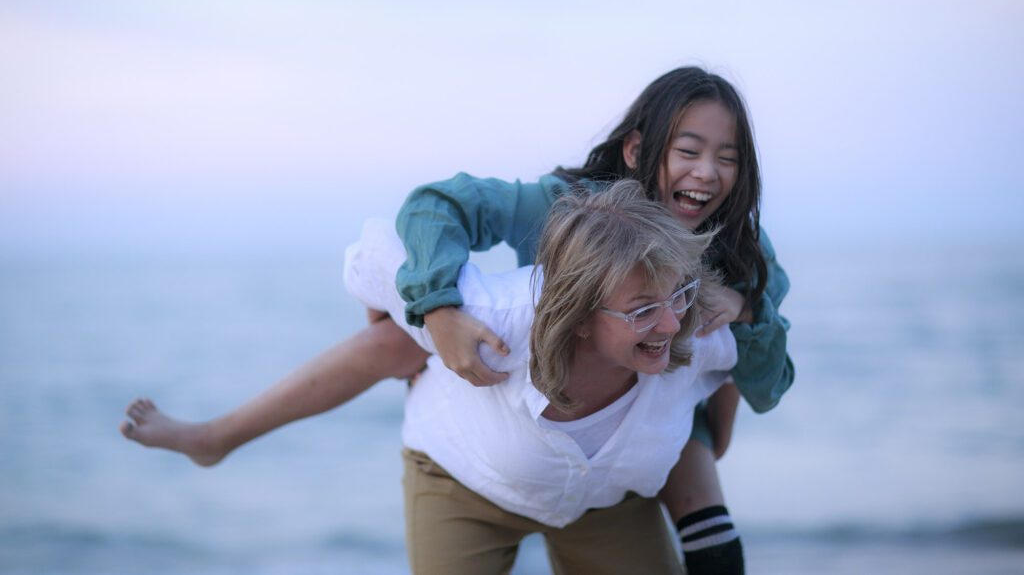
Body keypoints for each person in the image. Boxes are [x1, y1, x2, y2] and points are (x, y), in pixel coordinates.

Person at [121, 65, 792, 574]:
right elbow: (434, 208)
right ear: (636, 150)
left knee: (697, 356)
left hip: (640, 433)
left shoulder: (738, 252)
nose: (707, 173)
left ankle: (702, 506)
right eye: (689, 150)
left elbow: (767, 381)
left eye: (727, 158)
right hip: (509, 406)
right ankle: (219, 435)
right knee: (398, 338)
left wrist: (746, 307)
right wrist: (437, 309)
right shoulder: (564, 209)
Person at [346, 181, 735, 574]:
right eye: (643, 311)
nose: (670, 324)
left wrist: (721, 430)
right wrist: (415, 320)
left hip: (603, 501)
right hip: (466, 483)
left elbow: (749, 357)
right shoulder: (488, 321)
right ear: (580, 317)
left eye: (677, 295)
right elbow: (371, 251)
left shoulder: (695, 332)